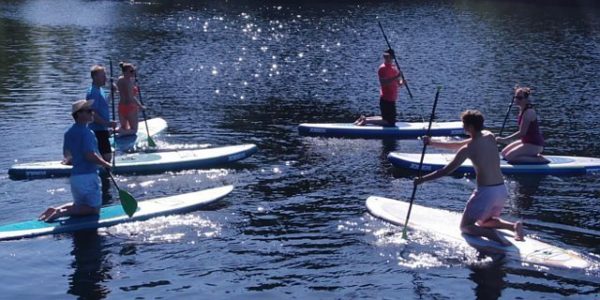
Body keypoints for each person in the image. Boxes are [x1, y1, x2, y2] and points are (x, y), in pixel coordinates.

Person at [414, 110, 524, 246]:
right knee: (483, 221)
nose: (462, 127)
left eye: (464, 124)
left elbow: (445, 171)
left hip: (486, 193)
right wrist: (432, 142)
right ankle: (513, 226)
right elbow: (460, 145)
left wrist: (422, 179)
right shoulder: (489, 135)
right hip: (501, 190)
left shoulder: (468, 149)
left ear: (471, 127)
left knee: (465, 227)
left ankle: (493, 235)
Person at [39, 100, 112, 222]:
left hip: (75, 178)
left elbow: (67, 156)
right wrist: (105, 164)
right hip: (88, 176)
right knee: (94, 209)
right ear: (79, 115)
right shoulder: (87, 133)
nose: (92, 113)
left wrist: (78, 159)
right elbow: (89, 155)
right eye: (88, 111)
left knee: (80, 205)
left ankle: (54, 210)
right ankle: (61, 213)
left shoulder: (69, 133)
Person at [496, 87, 549, 164]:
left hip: (535, 144)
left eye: (520, 98)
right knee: (504, 154)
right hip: (526, 141)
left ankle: (539, 159)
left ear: (526, 99)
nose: (517, 100)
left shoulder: (528, 112)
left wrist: (505, 139)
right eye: (516, 97)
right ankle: (532, 156)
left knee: (511, 158)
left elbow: (522, 133)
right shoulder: (521, 110)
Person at [354, 49, 404, 126]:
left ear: (393, 58)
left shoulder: (394, 68)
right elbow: (383, 83)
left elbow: (399, 83)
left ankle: (365, 119)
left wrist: (402, 82)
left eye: (388, 57)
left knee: (386, 119)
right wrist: (396, 76)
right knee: (390, 122)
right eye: (385, 57)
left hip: (392, 99)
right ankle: (366, 121)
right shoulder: (382, 68)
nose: (386, 58)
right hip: (386, 99)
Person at [86, 65, 117, 162]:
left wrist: (112, 93)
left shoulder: (100, 90)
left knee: (106, 156)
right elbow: (92, 113)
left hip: (102, 129)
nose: (106, 78)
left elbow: (104, 104)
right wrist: (107, 124)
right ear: (95, 77)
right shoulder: (93, 92)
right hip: (97, 130)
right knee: (107, 157)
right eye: (103, 75)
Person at [116, 62, 144, 136]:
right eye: (131, 71)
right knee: (134, 130)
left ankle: (116, 131)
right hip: (130, 107)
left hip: (121, 107)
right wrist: (140, 106)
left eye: (133, 71)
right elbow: (131, 97)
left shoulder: (119, 80)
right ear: (125, 72)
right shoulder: (129, 82)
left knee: (124, 127)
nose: (133, 73)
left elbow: (120, 92)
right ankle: (121, 131)